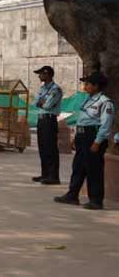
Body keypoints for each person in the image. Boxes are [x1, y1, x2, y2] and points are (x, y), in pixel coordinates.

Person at [55, 71, 114, 210]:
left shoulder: (105, 102)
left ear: (96, 86)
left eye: (88, 84)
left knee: (94, 169)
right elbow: (81, 120)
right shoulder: (87, 99)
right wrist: (75, 137)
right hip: (82, 136)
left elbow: (106, 124)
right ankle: (72, 195)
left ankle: (96, 200)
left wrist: (97, 141)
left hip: (92, 136)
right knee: (78, 166)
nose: (85, 86)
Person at [32, 66, 63, 185]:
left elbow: (48, 105)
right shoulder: (42, 88)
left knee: (50, 148)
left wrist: (42, 102)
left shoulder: (56, 89)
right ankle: (45, 173)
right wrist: (42, 102)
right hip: (41, 120)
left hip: (49, 120)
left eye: (41, 74)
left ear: (48, 74)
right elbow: (35, 103)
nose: (39, 76)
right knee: (42, 147)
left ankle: (53, 176)